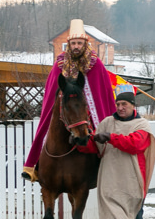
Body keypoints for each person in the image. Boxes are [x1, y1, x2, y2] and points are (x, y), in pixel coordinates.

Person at [22, 19, 116, 182]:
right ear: (69, 44)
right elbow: (51, 91)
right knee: (48, 129)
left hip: (87, 111)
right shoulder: (60, 64)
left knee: (101, 133)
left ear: (85, 44)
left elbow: (103, 93)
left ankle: (106, 164)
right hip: (66, 109)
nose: (76, 46)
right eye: (73, 43)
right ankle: (37, 165)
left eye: (79, 43)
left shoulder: (96, 64)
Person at [89, 84, 155, 219]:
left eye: (124, 104)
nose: (120, 107)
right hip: (111, 179)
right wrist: (80, 143)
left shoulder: (141, 125)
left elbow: (135, 144)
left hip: (134, 180)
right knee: (114, 216)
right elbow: (94, 146)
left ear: (133, 105)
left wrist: (111, 137)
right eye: (118, 104)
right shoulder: (106, 122)